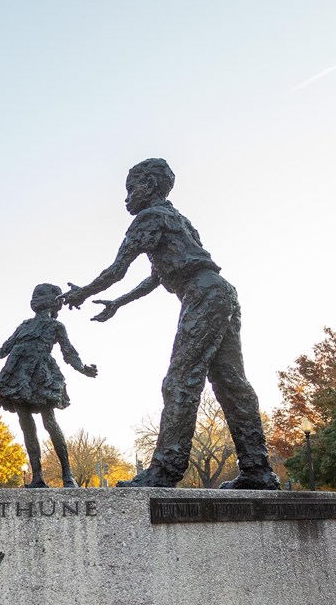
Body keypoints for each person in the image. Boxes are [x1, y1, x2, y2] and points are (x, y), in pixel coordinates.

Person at [64, 158, 280, 490]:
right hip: (221, 292)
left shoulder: (148, 218)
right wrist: (118, 303)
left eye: (130, 188)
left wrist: (83, 292)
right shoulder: (177, 220)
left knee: (180, 380)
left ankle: (165, 469)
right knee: (231, 383)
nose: (126, 198)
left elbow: (118, 268)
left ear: (149, 186)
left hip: (203, 295)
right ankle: (258, 470)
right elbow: (156, 277)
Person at [0, 284, 97, 488]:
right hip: (18, 375)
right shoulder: (24, 325)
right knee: (26, 425)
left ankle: (68, 474)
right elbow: (4, 350)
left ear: (55, 301)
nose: (35, 298)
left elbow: (69, 352)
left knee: (50, 422)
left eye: (40, 294)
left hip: (40, 375)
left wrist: (83, 368)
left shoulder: (56, 326)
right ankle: (37, 476)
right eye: (34, 294)